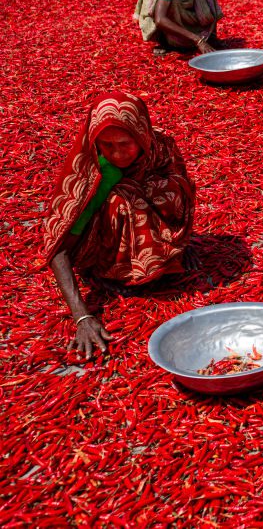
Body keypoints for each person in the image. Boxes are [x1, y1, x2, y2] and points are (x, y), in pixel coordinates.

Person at [39, 93, 196, 359]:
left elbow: (183, 190)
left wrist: (181, 238)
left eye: (126, 143)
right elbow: (59, 247)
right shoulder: (95, 172)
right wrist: (82, 316)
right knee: (123, 198)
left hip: (149, 226)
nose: (117, 154)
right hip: (98, 243)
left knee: (169, 187)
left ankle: (169, 255)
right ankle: (118, 272)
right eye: (107, 145)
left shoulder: (160, 146)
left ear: (142, 134)